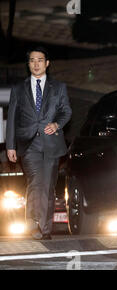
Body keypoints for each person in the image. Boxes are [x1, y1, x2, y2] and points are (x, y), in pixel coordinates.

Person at [5, 47, 72, 240]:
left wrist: (57, 124)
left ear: (47, 63)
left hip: (51, 143)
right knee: (35, 182)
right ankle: (34, 225)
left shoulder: (58, 87)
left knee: (47, 185)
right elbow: (12, 118)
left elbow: (66, 111)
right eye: (32, 60)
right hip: (28, 144)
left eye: (40, 60)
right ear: (28, 64)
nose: (36, 64)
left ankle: (44, 227)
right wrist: (11, 145)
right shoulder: (19, 89)